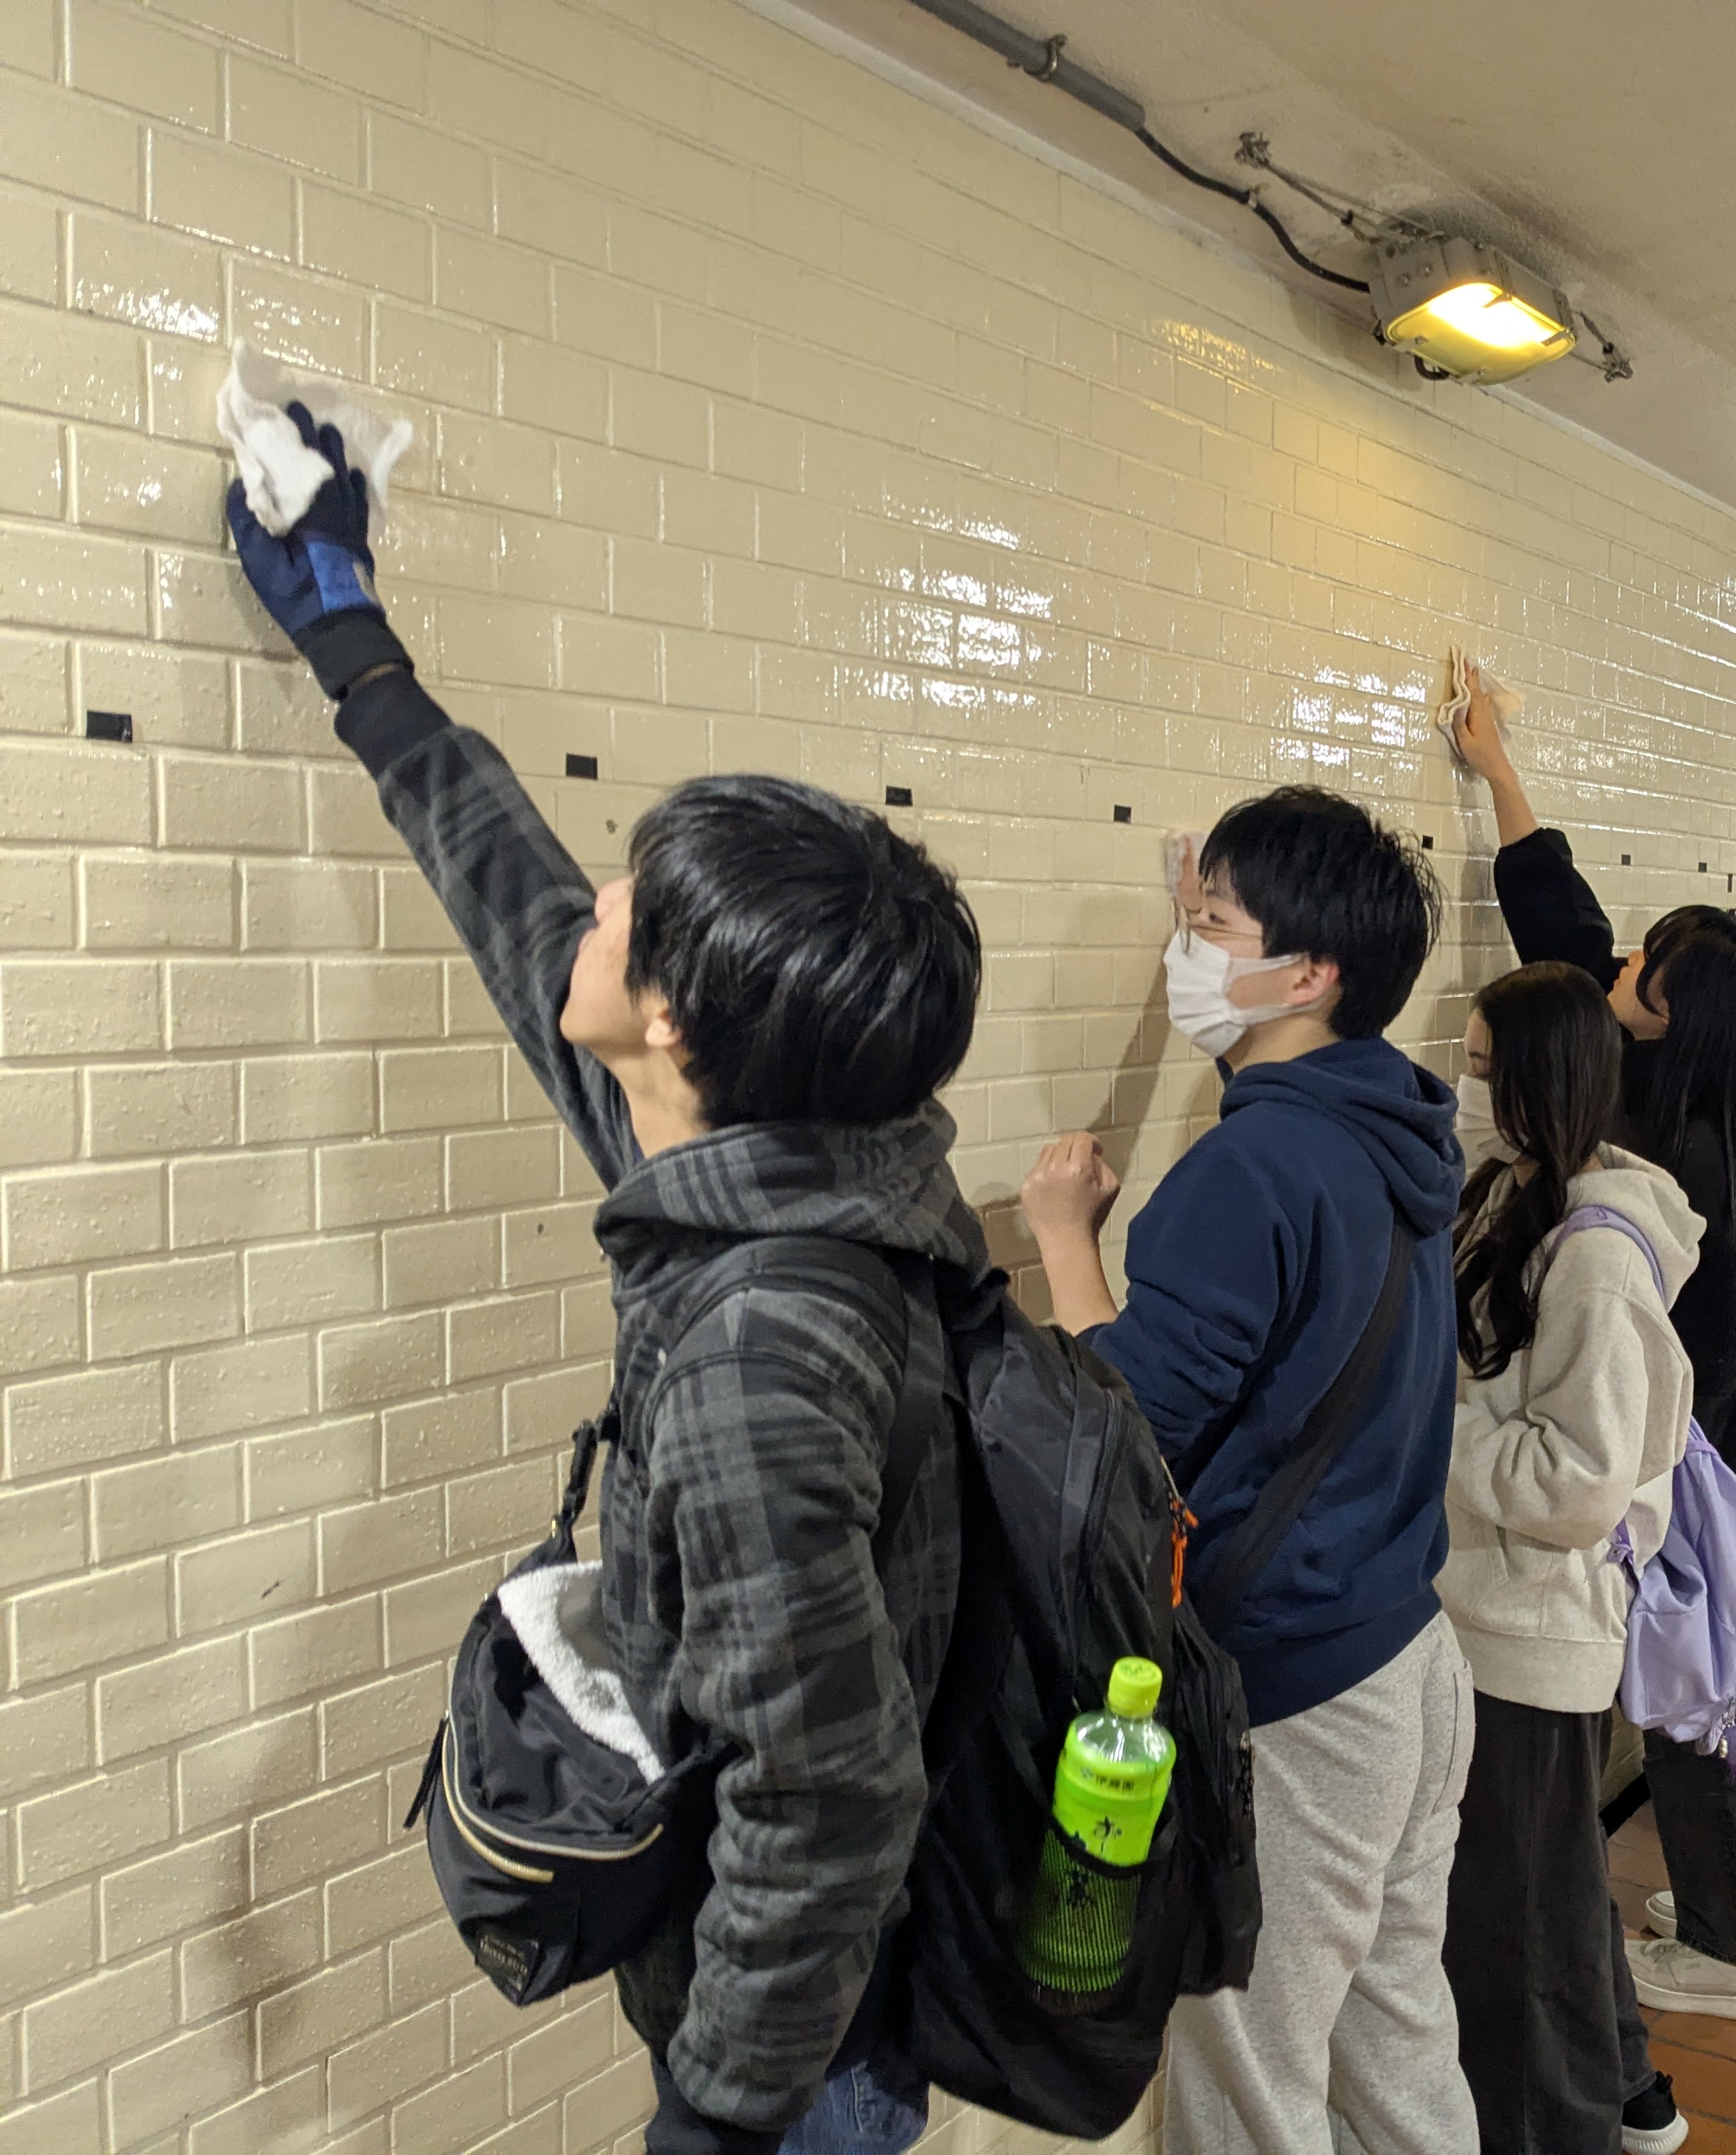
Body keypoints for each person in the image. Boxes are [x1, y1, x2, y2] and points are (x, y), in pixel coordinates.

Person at [227, 413, 983, 2154]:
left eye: (630, 909)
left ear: (678, 1029)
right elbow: (520, 909)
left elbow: (829, 1800)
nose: (599, 899)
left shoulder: (759, 1352)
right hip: (807, 2000)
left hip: (803, 2052)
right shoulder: (805, 1156)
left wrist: (713, 2119)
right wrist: (352, 637)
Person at [1020, 789, 1476, 2155]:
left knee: (1246, 2085)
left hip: (1293, 1694)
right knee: (1395, 2047)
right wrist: (1214, 899)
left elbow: (1125, 1422)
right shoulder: (1395, 1131)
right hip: (1405, 1652)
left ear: (1309, 970)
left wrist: (1060, 1239)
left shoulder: (1257, 1162)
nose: (1189, 948)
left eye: (1213, 925)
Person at [1448, 683, 1736, 2021]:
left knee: (1700, 1692)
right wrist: (1499, 773)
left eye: (1639, 965)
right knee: (1708, 1687)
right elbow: (1567, 930)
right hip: (1719, 1446)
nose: (1613, 970)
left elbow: (1661, 1388)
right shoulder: (1705, 1098)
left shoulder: (1663, 1157)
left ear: (1667, 1011)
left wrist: (1638, 1498)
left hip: (1697, 1460)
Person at [1440, 963, 1697, 2155]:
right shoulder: (1512, 1191)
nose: (1466, 1086)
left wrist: (1430, 1430)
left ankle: (1564, 2125)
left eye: (1486, 1068)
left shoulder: (1594, 1249)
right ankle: (1620, 2093)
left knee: (1523, 1920)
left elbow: (1579, 1476)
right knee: (1538, 1891)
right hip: (1490, 1610)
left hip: (1535, 1628)